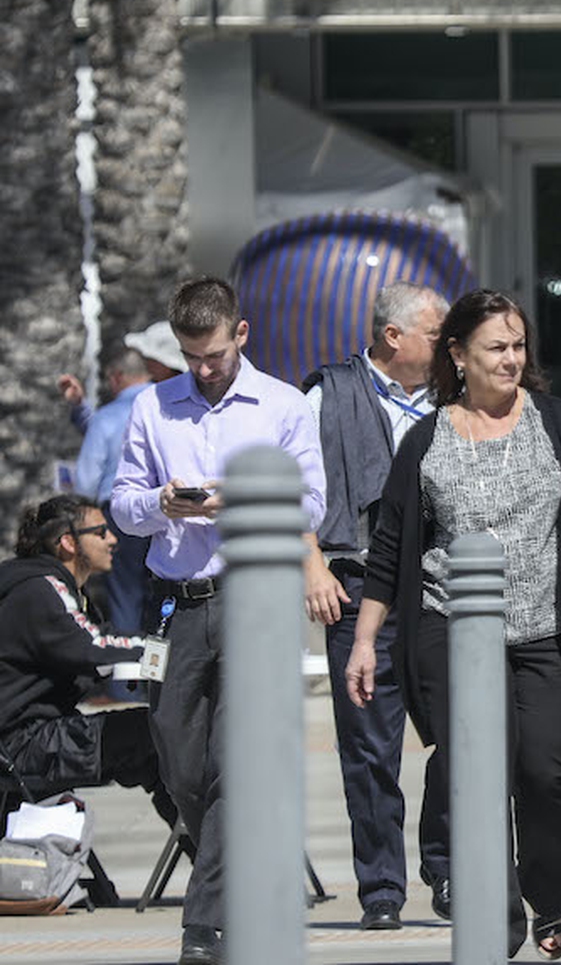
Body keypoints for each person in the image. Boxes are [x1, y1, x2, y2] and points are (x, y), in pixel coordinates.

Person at [348, 288, 561, 962]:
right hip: (450, 633)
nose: (512, 359)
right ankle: (494, 907)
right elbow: (391, 549)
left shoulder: (560, 426)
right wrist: (365, 639)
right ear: (459, 355)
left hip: (544, 632)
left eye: (518, 346)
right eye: (496, 348)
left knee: (549, 771)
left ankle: (547, 887)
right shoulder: (426, 438)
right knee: (476, 772)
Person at [109, 276, 328, 965]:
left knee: (235, 760)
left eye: (212, 354)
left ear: (241, 333)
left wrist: (239, 500)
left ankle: (202, 926)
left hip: (252, 596)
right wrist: (161, 505)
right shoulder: (154, 404)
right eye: (188, 356)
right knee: (176, 758)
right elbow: (121, 502)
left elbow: (313, 506)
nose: (201, 369)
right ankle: (249, 873)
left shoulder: (282, 405)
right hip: (175, 601)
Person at [303, 281, 448, 932]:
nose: (450, 343)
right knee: (368, 749)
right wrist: (312, 564)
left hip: (444, 589)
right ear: (394, 336)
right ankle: (381, 888)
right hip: (359, 585)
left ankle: (446, 868)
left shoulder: (454, 396)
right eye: (438, 333)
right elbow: (292, 484)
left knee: (460, 734)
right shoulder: (327, 394)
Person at [0, 495, 173, 826]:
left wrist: (156, 663)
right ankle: (215, 859)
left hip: (35, 736)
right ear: (68, 543)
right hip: (22, 746)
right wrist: (171, 652)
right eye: (101, 531)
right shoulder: (41, 589)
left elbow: (103, 645)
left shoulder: (64, 590)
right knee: (156, 735)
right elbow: (94, 648)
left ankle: (211, 856)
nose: (113, 540)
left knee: (159, 738)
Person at [76, 328, 187, 677]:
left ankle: (126, 683)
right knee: (162, 597)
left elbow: (86, 479)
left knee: (125, 595)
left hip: (120, 514)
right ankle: (158, 677)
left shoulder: (110, 416)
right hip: (170, 509)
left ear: (119, 376)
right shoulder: (171, 407)